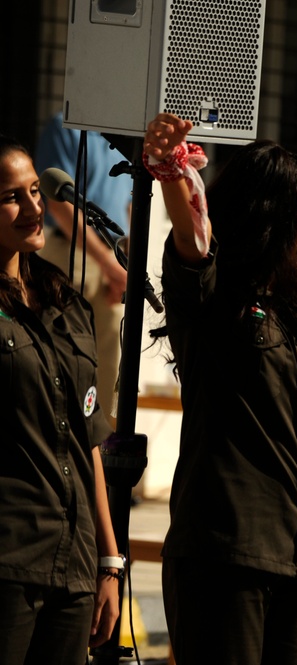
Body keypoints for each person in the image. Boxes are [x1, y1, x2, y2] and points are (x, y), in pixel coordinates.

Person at [142, 114, 297, 665]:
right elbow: (190, 238)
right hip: (225, 554)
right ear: (271, 215)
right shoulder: (212, 292)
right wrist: (173, 174)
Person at [0, 135, 121, 662]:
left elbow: (87, 440)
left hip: (74, 567)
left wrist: (109, 560)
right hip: (8, 563)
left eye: (34, 190)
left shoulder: (66, 301)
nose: (33, 208)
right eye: (11, 196)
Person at [35, 112, 132, 427]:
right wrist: (109, 264)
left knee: (108, 362)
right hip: (70, 251)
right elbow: (59, 204)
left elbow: (129, 204)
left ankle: (98, 450)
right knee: (62, 356)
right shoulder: (65, 126)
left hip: (114, 259)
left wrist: (127, 262)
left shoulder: (125, 132)